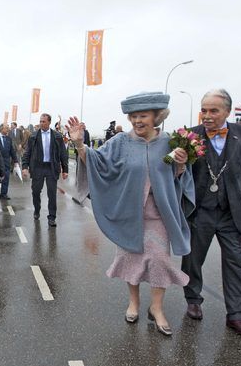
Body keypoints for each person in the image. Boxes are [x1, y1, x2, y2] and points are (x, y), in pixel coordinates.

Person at [67, 92, 194, 336]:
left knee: (160, 261)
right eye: (133, 116)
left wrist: (181, 163)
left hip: (159, 214)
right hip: (129, 213)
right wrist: (79, 144)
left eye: (143, 116)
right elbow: (97, 161)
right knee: (130, 260)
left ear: (157, 116)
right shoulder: (121, 142)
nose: (137, 121)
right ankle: (134, 303)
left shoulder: (170, 142)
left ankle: (156, 308)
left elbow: (178, 177)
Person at [181, 89, 241, 338]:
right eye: (204, 110)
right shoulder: (189, 136)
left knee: (235, 262)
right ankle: (193, 298)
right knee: (193, 258)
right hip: (200, 210)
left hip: (231, 211)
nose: (207, 115)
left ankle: (238, 314)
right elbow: (180, 173)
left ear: (227, 111)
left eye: (213, 110)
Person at [22, 113, 69, 227]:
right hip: (37, 168)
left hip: (51, 168)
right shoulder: (33, 136)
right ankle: (37, 210)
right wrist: (24, 167)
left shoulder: (57, 136)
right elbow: (27, 153)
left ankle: (52, 217)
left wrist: (65, 169)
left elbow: (63, 153)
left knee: (52, 194)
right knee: (36, 192)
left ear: (49, 122)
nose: (41, 123)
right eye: (40, 121)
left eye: (43, 121)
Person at [0, 124, 18, 200]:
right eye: (7, 128)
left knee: (6, 178)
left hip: (6, 162)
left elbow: (12, 150)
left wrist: (16, 161)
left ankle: (3, 194)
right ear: (1, 129)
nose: (8, 129)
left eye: (8, 128)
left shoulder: (9, 138)